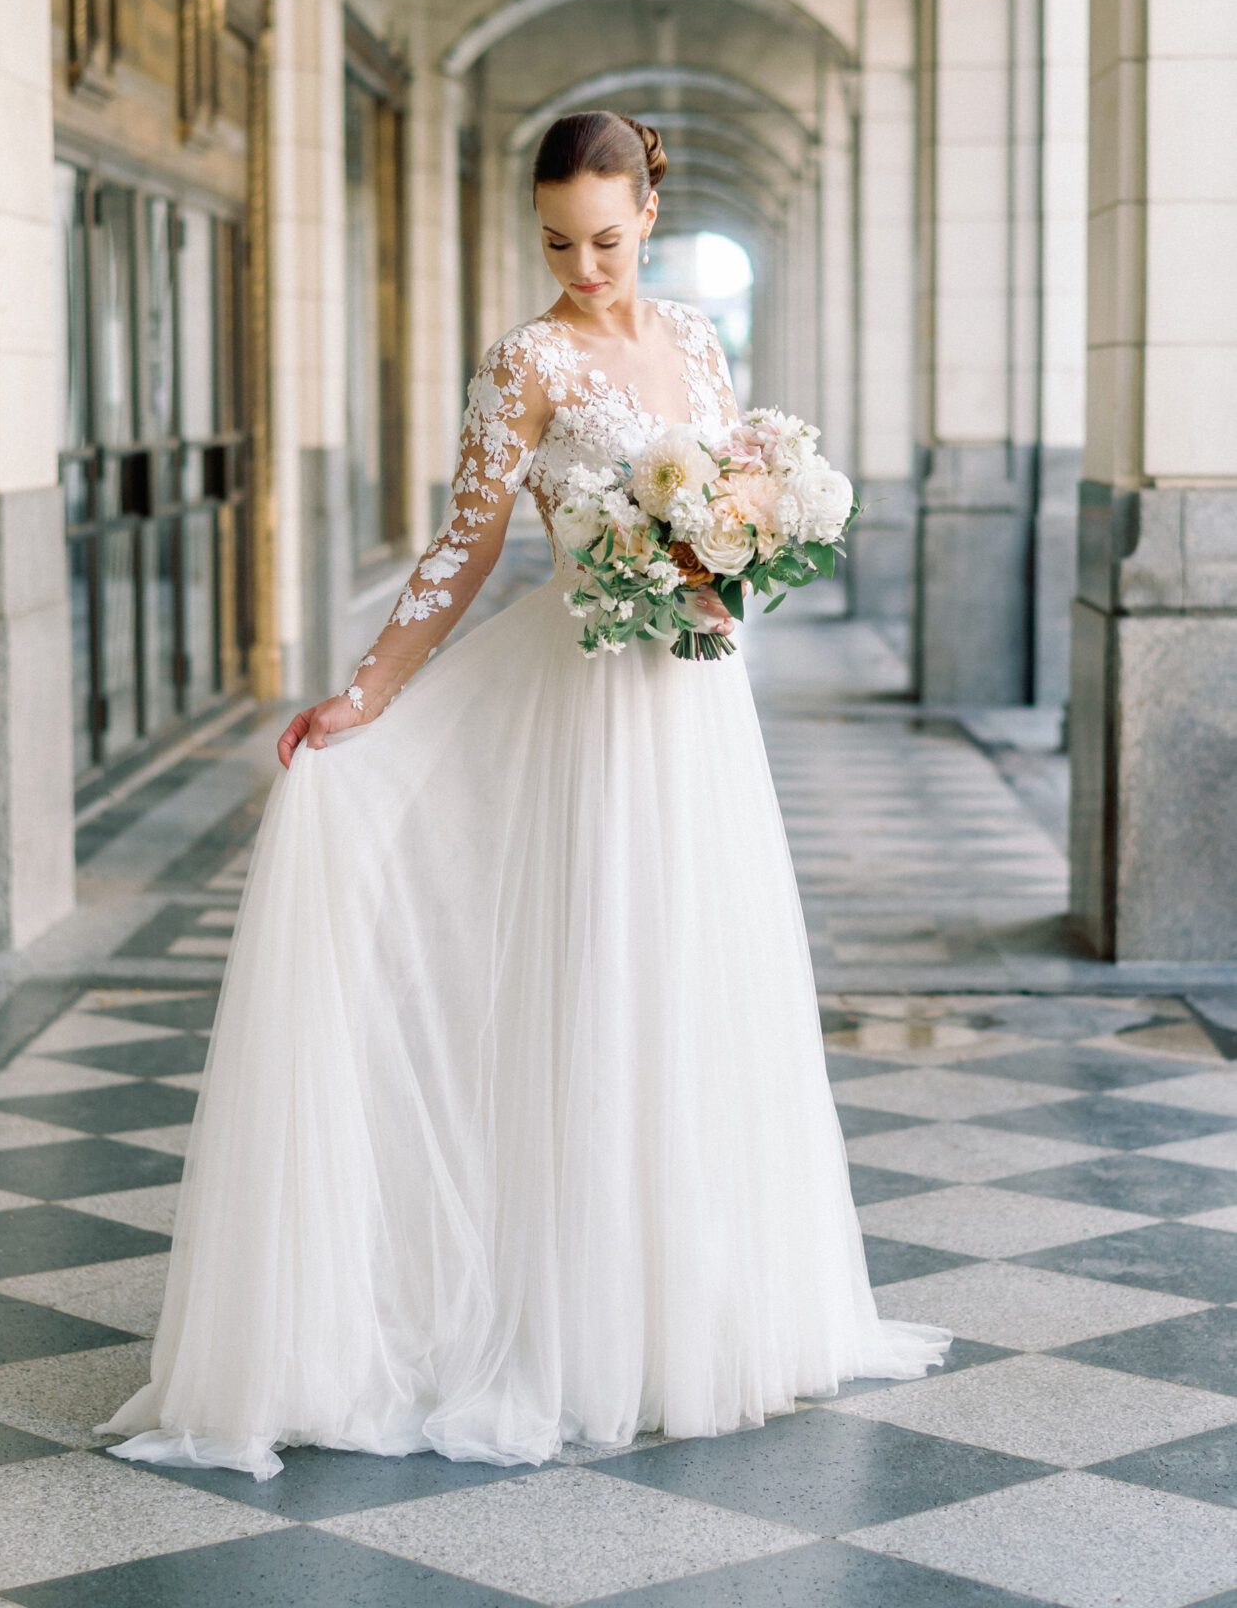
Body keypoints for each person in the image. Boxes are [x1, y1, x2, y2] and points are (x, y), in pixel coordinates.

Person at [95, 109, 951, 1481]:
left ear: (649, 216)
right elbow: (466, 541)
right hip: (584, 696)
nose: (584, 263)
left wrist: (724, 563)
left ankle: (702, 1314)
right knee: (593, 979)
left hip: (698, 701)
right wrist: (366, 691)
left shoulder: (700, 346)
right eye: (558, 240)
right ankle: (565, 1317)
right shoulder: (527, 359)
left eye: (605, 238)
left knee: (698, 980)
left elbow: (731, 503)